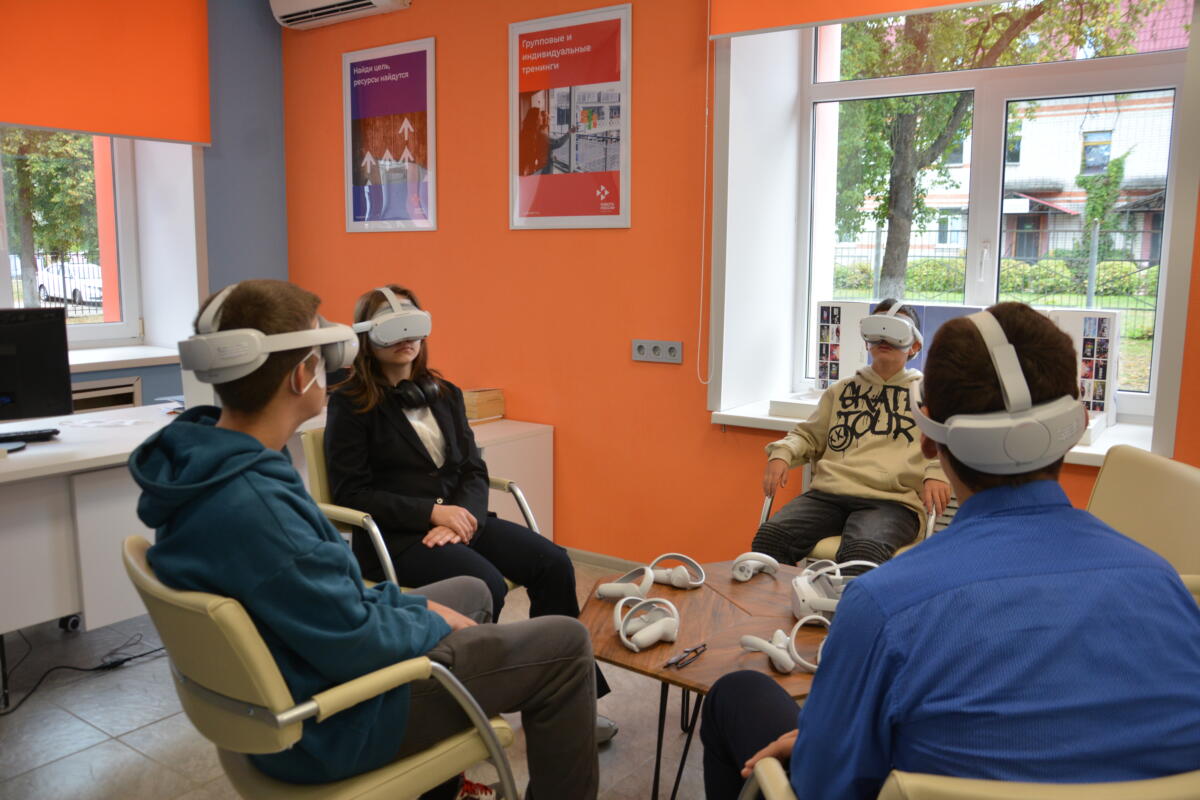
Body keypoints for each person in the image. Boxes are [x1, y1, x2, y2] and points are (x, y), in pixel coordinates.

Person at [701, 302, 1200, 799]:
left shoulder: (881, 606)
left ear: (927, 440)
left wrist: (818, 741)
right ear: (1077, 422)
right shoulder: (1166, 587)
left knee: (738, 692)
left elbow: (824, 785)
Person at [129, 280, 599, 799]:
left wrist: (416, 606)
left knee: (467, 591)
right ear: (303, 374)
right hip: (339, 722)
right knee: (565, 644)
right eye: (323, 353)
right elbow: (354, 640)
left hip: (310, 679)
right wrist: (427, 619)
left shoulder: (210, 465)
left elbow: (330, 598)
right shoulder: (258, 508)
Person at [324, 284, 615, 741]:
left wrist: (464, 515)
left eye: (413, 324)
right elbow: (351, 492)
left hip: (463, 521)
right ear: (367, 336)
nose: (406, 337)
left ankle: (571, 703)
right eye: (392, 327)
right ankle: (472, 704)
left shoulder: (444, 393)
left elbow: (472, 469)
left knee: (554, 563)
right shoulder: (350, 403)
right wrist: (431, 514)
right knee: (486, 584)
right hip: (398, 538)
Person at [752, 299, 951, 571]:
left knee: (862, 553)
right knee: (770, 539)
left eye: (895, 330)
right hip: (828, 496)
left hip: (892, 502)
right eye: (877, 330)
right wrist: (782, 453)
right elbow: (808, 436)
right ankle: (794, 599)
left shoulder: (928, 394)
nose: (884, 338)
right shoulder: (840, 391)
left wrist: (937, 472)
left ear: (914, 345)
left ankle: (846, 602)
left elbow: (947, 443)